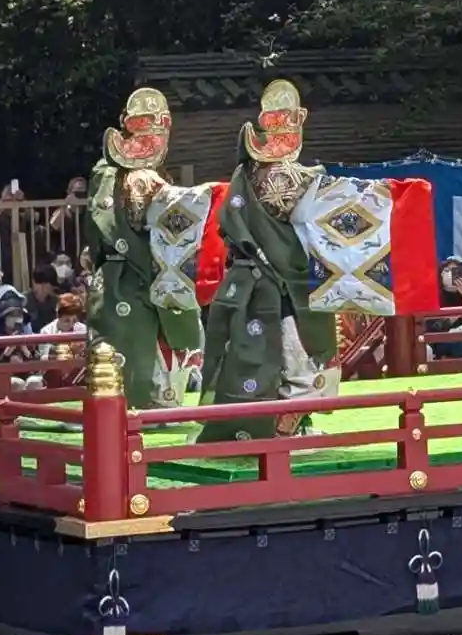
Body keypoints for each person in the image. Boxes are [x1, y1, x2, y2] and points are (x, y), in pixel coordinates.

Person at [198, 80, 341, 440]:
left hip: (245, 282)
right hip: (284, 284)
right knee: (300, 363)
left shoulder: (242, 175)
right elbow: (328, 209)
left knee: (253, 361)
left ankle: (268, 429)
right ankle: (284, 435)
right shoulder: (290, 176)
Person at [83, 88, 205, 409]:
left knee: (158, 365)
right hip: (123, 279)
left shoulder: (149, 176)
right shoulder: (109, 173)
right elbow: (104, 226)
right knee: (121, 365)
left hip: (154, 274)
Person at [27, 266, 59, 331]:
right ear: (33, 282)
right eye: (40, 283)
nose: (42, 288)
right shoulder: (23, 301)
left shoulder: (57, 302)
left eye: (46, 284)